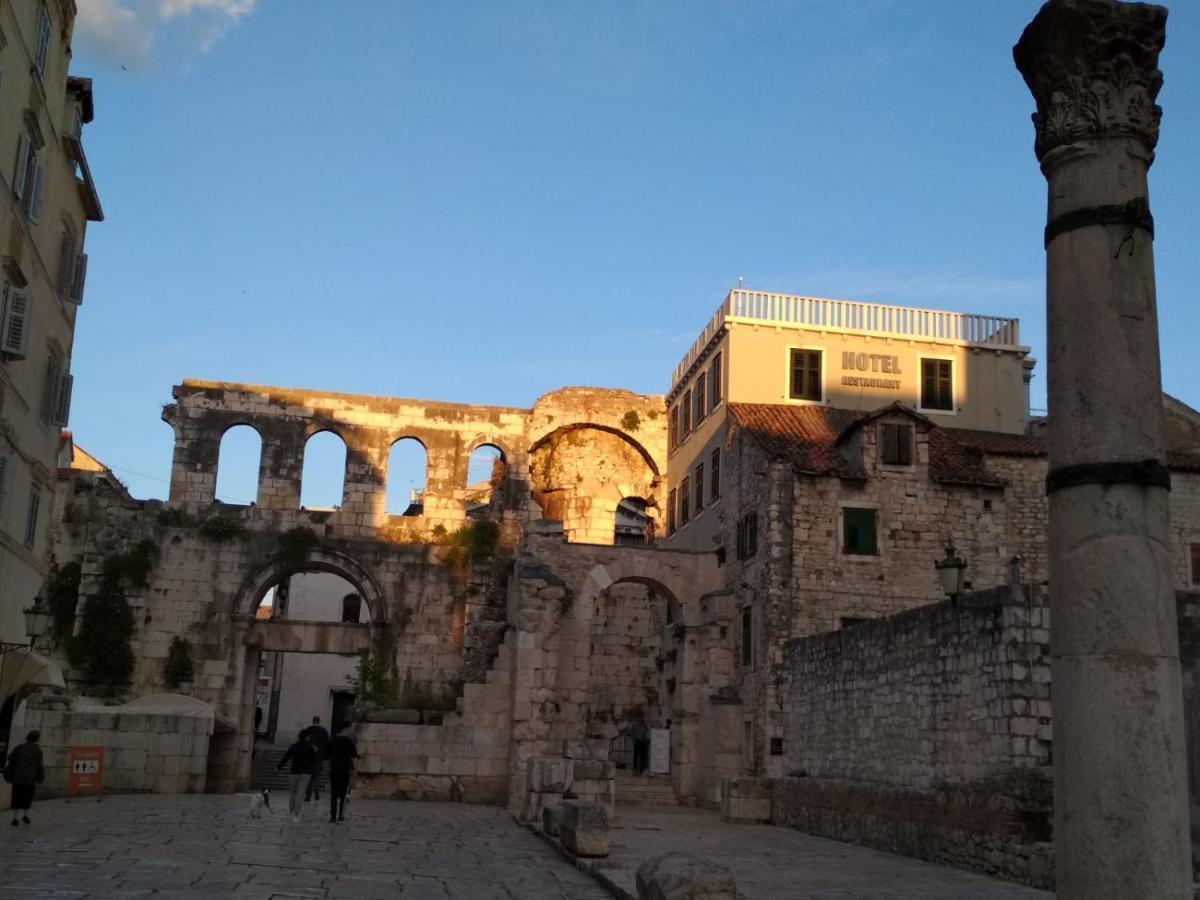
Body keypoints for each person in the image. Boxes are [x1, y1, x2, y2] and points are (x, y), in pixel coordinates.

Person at [4, 730, 45, 826]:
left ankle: (15, 818)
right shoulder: (38, 751)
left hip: (18, 778)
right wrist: (40, 778)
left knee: (16, 798)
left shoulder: (19, 748)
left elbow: (10, 758)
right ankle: (26, 815)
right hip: (30, 779)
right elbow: (40, 766)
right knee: (27, 798)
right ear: (37, 739)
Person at [276, 729, 318, 822]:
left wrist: (278, 767)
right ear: (308, 737)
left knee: (292, 793)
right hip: (306, 773)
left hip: (294, 772)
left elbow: (286, 757)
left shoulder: (294, 746)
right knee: (300, 793)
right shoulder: (310, 748)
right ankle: (296, 815)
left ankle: (291, 812)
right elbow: (314, 761)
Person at [325, 723, 359, 823]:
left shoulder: (332, 741)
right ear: (344, 729)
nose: (350, 732)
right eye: (349, 730)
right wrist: (355, 771)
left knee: (334, 793)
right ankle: (341, 815)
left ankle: (333, 816)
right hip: (345, 770)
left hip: (334, 769)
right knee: (343, 794)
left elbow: (327, 757)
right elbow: (354, 757)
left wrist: (329, 768)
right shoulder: (349, 742)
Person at [301, 716, 330, 801]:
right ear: (319, 721)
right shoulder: (324, 731)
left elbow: (303, 742)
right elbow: (327, 744)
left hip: (308, 757)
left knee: (308, 775)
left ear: (313, 721)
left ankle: (308, 796)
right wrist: (326, 757)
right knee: (316, 776)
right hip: (319, 756)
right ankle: (316, 792)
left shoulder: (308, 730)